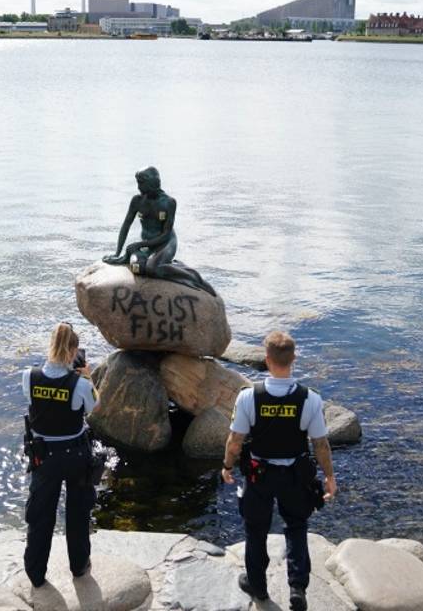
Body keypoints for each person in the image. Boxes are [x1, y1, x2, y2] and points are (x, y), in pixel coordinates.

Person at [221, 331, 336, 611]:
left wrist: (226, 466)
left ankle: (258, 586)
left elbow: (235, 440)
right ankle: (297, 588)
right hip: (295, 476)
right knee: (296, 527)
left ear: (267, 360)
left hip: (258, 475)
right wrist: (330, 477)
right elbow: (320, 444)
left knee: (255, 529)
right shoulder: (310, 399)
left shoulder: (249, 397)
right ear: (293, 359)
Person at [22, 322, 100, 588]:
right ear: (73, 351)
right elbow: (94, 407)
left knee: (40, 515)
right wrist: (88, 377)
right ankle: (79, 566)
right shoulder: (79, 383)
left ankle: (35, 574)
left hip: (43, 457)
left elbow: (36, 407)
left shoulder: (29, 377)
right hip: (76, 455)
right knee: (78, 513)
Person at [101, 166, 217, 297]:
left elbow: (166, 234)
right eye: (137, 183)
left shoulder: (169, 202)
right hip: (147, 245)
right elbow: (126, 225)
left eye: (141, 183)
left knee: (152, 268)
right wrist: (118, 253)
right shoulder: (137, 201)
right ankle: (166, 265)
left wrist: (139, 245)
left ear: (152, 183)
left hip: (166, 243)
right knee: (137, 268)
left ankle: (192, 276)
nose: (138, 187)